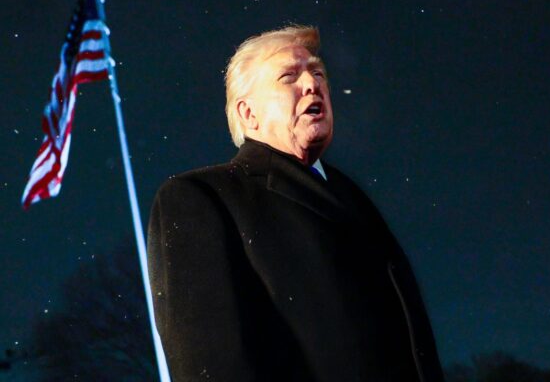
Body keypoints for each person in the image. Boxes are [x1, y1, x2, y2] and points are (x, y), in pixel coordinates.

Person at [147, 25, 444, 381]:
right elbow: (210, 362)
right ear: (248, 114)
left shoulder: (356, 198)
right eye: (289, 76)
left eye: (318, 74)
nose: (312, 84)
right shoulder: (200, 197)